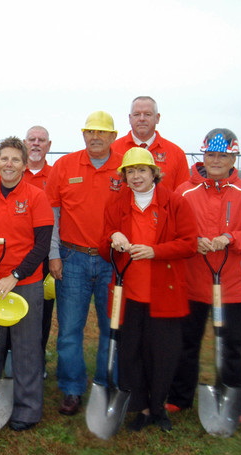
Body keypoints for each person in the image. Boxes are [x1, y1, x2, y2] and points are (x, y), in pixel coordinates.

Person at [166, 129, 241, 423]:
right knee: (187, 342)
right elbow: (170, 229)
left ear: (233, 157)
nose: (215, 161)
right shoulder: (184, 192)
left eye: (222, 156)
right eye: (210, 155)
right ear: (203, 156)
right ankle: (179, 396)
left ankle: (235, 401)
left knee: (230, 345)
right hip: (192, 283)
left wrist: (231, 238)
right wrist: (192, 241)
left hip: (235, 286)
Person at [99, 147, 198, 432]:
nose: (136, 176)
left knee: (163, 354)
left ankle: (158, 409)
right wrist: (112, 237)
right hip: (128, 294)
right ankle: (140, 408)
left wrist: (156, 251)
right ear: (124, 177)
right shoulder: (116, 205)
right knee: (130, 354)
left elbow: (189, 243)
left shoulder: (175, 203)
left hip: (164, 294)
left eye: (142, 170)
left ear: (154, 173)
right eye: (130, 171)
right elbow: (104, 250)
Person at [0, 137, 54, 431]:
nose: (9, 164)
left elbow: (41, 245)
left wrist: (14, 276)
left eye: (16, 159)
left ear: (25, 165)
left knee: (26, 347)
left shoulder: (36, 196)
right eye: (4, 159)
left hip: (24, 283)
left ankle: (27, 408)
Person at [46, 111, 124, 415]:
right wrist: (53, 254)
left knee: (112, 327)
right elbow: (51, 215)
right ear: (83, 135)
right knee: (69, 329)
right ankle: (71, 388)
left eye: (102, 133)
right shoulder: (65, 166)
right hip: (72, 258)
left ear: (113, 137)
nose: (96, 137)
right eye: (90, 131)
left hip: (112, 260)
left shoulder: (125, 167)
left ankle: (106, 385)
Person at [23, 126, 56, 372]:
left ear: (49, 145)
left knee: (42, 310)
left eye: (41, 140)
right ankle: (12, 359)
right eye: (32, 140)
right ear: (25, 143)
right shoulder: (11, 170)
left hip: (43, 254)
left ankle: (37, 358)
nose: (36, 144)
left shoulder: (56, 175)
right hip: (12, 254)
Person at [111, 96, 190, 191]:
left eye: (147, 114)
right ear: (130, 118)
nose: (142, 119)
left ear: (157, 118)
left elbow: (183, 195)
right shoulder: (112, 150)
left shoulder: (177, 154)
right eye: (137, 114)